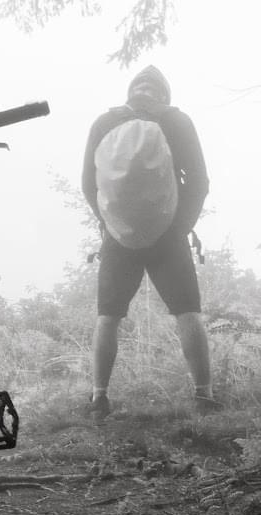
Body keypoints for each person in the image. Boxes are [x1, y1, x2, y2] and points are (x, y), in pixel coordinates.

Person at [81, 65, 217, 419]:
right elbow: (199, 181)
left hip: (117, 237)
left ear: (132, 91)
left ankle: (99, 398)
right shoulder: (176, 121)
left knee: (108, 316)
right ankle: (204, 396)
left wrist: (110, 224)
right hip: (168, 234)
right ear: (163, 94)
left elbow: (87, 184)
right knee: (187, 311)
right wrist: (180, 226)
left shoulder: (104, 122)